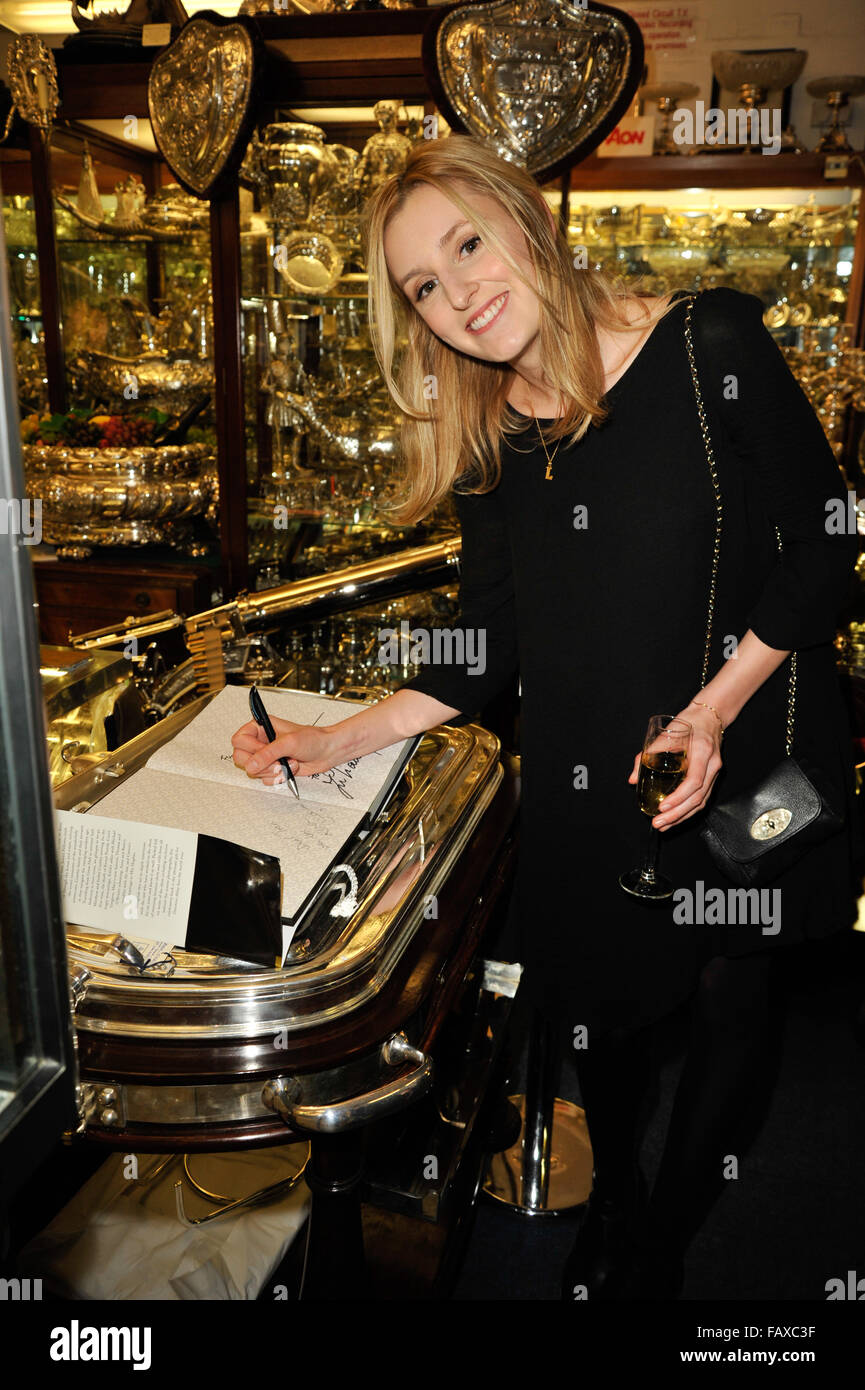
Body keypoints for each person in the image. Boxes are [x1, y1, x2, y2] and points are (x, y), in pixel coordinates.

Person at [231, 134, 861, 1300]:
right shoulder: (492, 435)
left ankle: (658, 1245)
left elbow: (830, 542)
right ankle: (618, 1204)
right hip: (591, 779)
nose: (458, 291)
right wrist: (325, 741)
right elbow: (488, 649)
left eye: (466, 243)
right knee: (608, 1018)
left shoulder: (707, 340)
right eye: (423, 284)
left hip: (747, 757)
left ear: (523, 218)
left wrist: (714, 711)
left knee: (729, 999)